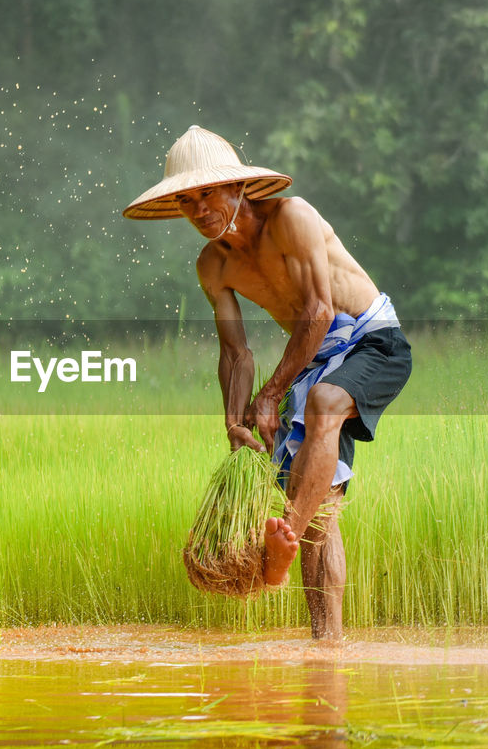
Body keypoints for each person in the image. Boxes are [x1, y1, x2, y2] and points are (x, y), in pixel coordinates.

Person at [123, 125, 411, 640]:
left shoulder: (291, 218)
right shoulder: (213, 265)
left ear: (238, 188)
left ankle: (282, 547)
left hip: (371, 340)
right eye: (186, 200)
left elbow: (319, 312)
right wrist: (235, 420)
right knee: (319, 506)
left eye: (207, 192)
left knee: (323, 403)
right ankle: (328, 647)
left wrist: (273, 393)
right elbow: (235, 352)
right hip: (312, 359)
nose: (199, 209)